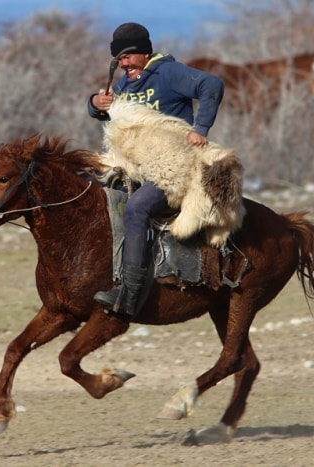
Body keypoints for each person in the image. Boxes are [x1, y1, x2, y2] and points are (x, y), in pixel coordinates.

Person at [87, 22, 225, 319]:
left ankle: (131, 293)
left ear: (144, 52)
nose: (122, 64)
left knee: (136, 208)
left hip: (173, 168)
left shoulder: (167, 73)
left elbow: (211, 84)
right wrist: (96, 104)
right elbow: (108, 113)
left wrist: (201, 128)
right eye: (118, 59)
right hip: (138, 166)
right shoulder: (124, 83)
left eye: (127, 57)